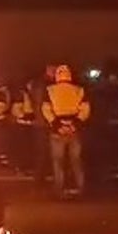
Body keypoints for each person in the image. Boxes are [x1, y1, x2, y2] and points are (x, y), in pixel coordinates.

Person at [41, 64, 91, 198]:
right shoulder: (79, 90)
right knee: (76, 160)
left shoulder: (50, 90)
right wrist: (76, 123)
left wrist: (56, 124)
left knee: (58, 161)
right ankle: (81, 188)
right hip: (74, 128)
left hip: (58, 129)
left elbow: (46, 109)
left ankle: (59, 189)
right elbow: (85, 109)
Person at [29, 65, 56, 187]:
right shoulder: (45, 86)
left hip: (41, 122)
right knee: (44, 152)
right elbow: (42, 104)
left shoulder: (38, 84)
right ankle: (40, 178)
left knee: (42, 152)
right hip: (45, 123)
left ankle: (40, 177)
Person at [10, 80, 36, 176]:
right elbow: (22, 110)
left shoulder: (27, 95)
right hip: (21, 126)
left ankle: (24, 167)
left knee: (26, 148)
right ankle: (20, 168)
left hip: (25, 125)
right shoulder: (22, 95)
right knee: (22, 148)